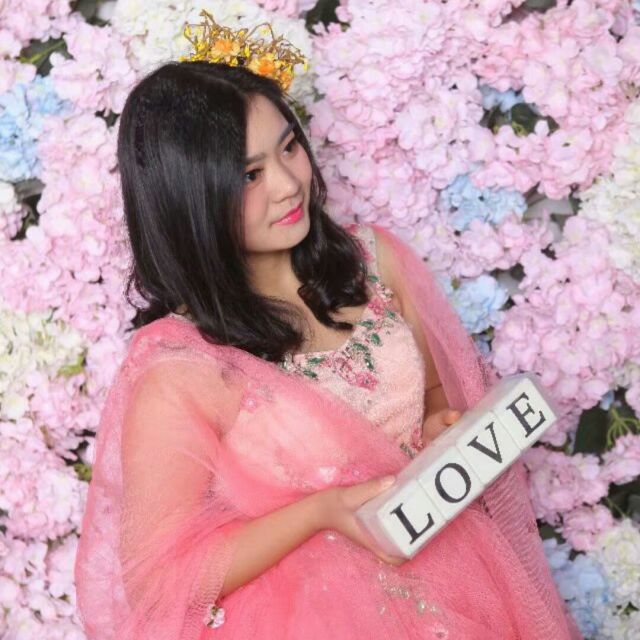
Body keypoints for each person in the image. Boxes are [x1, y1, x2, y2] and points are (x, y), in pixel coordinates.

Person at [73, 24, 583, 640]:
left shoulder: (375, 263)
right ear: (191, 201)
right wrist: (320, 514)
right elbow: (158, 581)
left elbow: (433, 397)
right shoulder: (184, 365)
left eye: (288, 147)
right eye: (249, 175)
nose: (288, 184)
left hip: (455, 576)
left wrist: (436, 428)